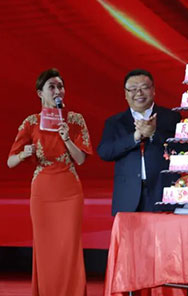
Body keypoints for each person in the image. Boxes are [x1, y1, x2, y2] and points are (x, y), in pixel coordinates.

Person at [7, 68, 92, 295]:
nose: (57, 91)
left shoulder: (75, 119)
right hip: (43, 192)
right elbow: (10, 162)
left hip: (69, 190)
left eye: (60, 86)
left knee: (69, 247)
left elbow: (80, 159)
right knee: (46, 248)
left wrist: (67, 138)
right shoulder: (31, 122)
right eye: (52, 87)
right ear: (40, 93)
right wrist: (24, 154)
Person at [97, 69, 181, 215]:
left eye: (144, 87)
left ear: (153, 90)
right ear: (125, 94)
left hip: (162, 192)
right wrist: (135, 137)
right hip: (127, 196)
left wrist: (153, 134)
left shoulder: (171, 117)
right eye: (133, 89)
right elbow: (105, 152)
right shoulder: (115, 122)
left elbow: (182, 150)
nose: (139, 93)